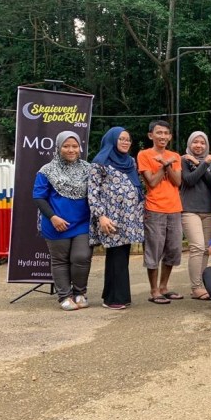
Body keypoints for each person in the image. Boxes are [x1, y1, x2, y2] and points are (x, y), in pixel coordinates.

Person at [33, 131, 92, 311]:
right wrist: (53, 217)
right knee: (60, 261)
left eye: (75, 146)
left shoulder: (88, 169)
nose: (71, 150)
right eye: (66, 146)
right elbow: (39, 197)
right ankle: (64, 296)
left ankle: (79, 292)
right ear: (58, 148)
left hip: (82, 223)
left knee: (82, 257)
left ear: (80, 148)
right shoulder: (46, 170)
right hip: (56, 223)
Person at [88, 127, 145, 310]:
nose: (125, 142)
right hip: (110, 217)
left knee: (122, 255)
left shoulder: (130, 161)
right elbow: (93, 192)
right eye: (121, 139)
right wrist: (101, 216)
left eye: (128, 139)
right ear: (112, 140)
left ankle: (116, 295)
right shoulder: (100, 162)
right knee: (116, 256)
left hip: (128, 217)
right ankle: (113, 299)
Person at [137, 120, 183, 304]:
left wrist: (167, 164)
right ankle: (154, 290)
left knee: (174, 249)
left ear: (170, 136)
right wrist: (164, 165)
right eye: (159, 133)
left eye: (166, 133)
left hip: (175, 208)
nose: (162, 136)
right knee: (154, 250)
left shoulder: (174, 156)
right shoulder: (144, 154)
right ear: (151, 135)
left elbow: (177, 181)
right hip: (154, 208)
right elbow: (152, 182)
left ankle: (164, 287)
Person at [180, 131, 211, 300]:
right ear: (189, 143)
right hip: (189, 209)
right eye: (195, 142)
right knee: (197, 247)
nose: (199, 145)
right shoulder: (184, 160)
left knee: (206, 250)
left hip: (208, 210)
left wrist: (199, 163)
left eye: (202, 142)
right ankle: (196, 287)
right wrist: (202, 164)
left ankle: (202, 285)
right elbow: (189, 180)